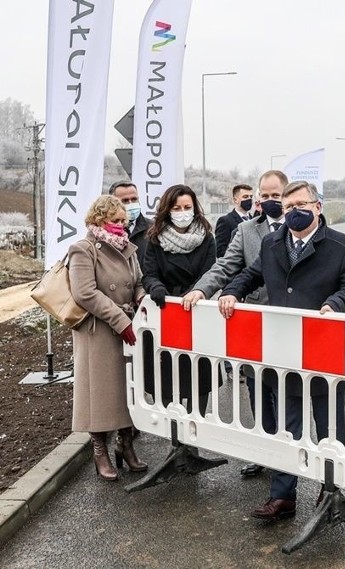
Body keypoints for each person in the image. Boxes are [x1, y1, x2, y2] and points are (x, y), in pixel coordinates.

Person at [218, 180, 345, 521]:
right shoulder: (272, 243)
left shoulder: (342, 246)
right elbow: (251, 274)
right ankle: (282, 498)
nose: (294, 212)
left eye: (301, 205)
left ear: (317, 206)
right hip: (283, 354)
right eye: (288, 208)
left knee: (329, 430)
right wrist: (232, 292)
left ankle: (330, 494)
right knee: (288, 430)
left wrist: (334, 304)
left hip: (324, 354)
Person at [182, 170, 289, 477]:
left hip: (293, 323)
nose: (270, 201)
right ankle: (268, 451)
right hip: (255, 319)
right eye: (265, 196)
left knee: (290, 390)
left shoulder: (302, 226)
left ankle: (290, 452)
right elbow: (226, 266)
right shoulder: (247, 231)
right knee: (258, 388)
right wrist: (201, 289)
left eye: (276, 195)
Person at [68, 195, 148, 480]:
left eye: (123, 221)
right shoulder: (83, 249)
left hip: (126, 326)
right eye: (115, 221)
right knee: (101, 394)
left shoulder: (128, 248)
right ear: (99, 219)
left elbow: (137, 281)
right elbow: (85, 293)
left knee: (127, 389)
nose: (120, 226)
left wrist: (142, 299)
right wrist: (119, 319)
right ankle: (99, 449)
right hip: (98, 331)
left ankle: (125, 445)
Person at [142, 184, 217, 414]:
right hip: (165, 313)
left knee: (197, 377)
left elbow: (210, 273)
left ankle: (194, 434)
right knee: (167, 378)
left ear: (195, 208)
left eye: (187, 207)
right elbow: (149, 273)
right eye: (177, 207)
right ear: (167, 209)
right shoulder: (155, 238)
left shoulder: (206, 238)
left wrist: (195, 294)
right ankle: (172, 433)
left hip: (197, 313)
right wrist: (156, 287)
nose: (183, 212)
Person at [108, 180, 151, 265]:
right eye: (125, 201)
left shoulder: (154, 228)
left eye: (134, 199)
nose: (131, 204)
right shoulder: (104, 231)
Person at [215, 183, 259, 257]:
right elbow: (220, 251)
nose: (249, 199)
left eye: (251, 196)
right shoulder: (225, 221)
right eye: (245, 197)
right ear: (235, 200)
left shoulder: (255, 220)